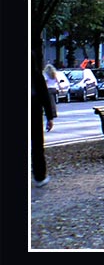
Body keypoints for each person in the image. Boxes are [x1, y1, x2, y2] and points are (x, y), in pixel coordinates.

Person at [32, 57, 54, 187]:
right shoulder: (36, 75)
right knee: (37, 146)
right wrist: (49, 117)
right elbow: (44, 96)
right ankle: (39, 176)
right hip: (34, 112)